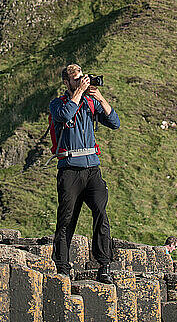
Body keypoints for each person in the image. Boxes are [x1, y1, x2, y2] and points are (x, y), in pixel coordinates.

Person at [49, 63, 120, 283]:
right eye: (76, 79)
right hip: (70, 170)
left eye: (82, 78)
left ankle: (104, 265)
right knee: (67, 219)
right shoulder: (57, 104)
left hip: (92, 170)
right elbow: (65, 115)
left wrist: (99, 98)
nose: (81, 82)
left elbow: (115, 123)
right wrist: (78, 93)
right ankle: (62, 265)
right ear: (66, 82)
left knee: (101, 213)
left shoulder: (90, 103)